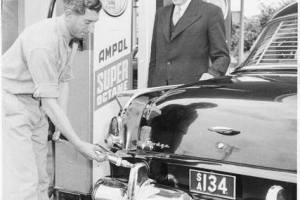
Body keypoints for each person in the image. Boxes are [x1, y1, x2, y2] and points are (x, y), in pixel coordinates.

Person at [2, 0, 106, 200]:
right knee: (24, 184)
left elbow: (63, 82)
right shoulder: (43, 43)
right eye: (87, 22)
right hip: (10, 104)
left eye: (94, 23)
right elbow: (50, 102)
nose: (91, 29)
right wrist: (78, 143)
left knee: (42, 179)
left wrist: (60, 126)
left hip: (35, 105)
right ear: (69, 14)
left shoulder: (71, 39)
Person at [148, 0, 230, 87]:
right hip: (159, 91)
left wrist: (211, 75)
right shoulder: (161, 13)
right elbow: (154, 58)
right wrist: (149, 91)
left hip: (191, 91)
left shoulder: (211, 12)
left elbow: (222, 57)